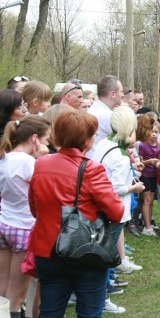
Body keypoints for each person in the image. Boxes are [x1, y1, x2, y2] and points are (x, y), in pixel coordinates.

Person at [28, 110, 124, 317]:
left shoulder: (41, 164)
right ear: (87, 141)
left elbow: (35, 208)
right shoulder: (92, 169)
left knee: (50, 311)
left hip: (47, 250)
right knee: (89, 312)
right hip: (84, 249)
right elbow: (116, 212)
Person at [0, 115, 50, 318]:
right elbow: (44, 191)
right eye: (47, 140)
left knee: (2, 290)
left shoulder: (5, 158)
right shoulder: (30, 163)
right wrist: (41, 158)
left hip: (4, 223)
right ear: (35, 139)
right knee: (16, 297)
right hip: (24, 227)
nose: (48, 144)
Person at [92, 106, 145, 282]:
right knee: (107, 250)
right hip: (114, 209)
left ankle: (109, 279)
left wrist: (131, 172)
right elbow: (116, 188)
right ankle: (104, 288)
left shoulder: (104, 143)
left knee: (103, 248)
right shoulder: (121, 156)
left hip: (98, 205)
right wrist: (135, 188)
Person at [87, 75, 124, 157]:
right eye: (121, 91)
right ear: (113, 94)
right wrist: (126, 112)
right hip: (100, 163)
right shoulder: (107, 115)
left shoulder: (94, 108)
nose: (123, 95)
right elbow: (125, 141)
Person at [138, 121, 160, 236]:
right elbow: (140, 162)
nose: (153, 134)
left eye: (156, 132)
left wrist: (159, 165)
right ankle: (147, 227)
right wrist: (149, 161)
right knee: (147, 200)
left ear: (159, 133)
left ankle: (147, 222)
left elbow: (159, 161)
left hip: (154, 175)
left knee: (151, 201)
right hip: (144, 175)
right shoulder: (143, 145)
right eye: (151, 131)